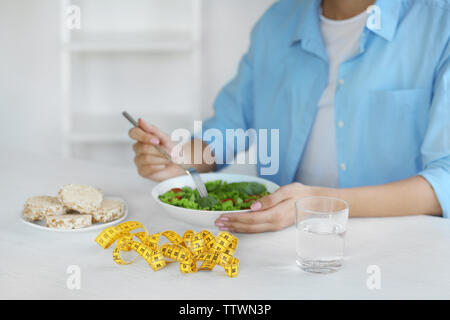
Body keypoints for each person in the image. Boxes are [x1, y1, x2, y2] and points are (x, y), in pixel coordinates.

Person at [129, 0, 450, 233]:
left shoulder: (439, 24)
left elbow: (445, 179)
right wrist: (184, 159)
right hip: (281, 240)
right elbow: (229, 126)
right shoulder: (276, 22)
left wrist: (318, 202)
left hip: (399, 243)